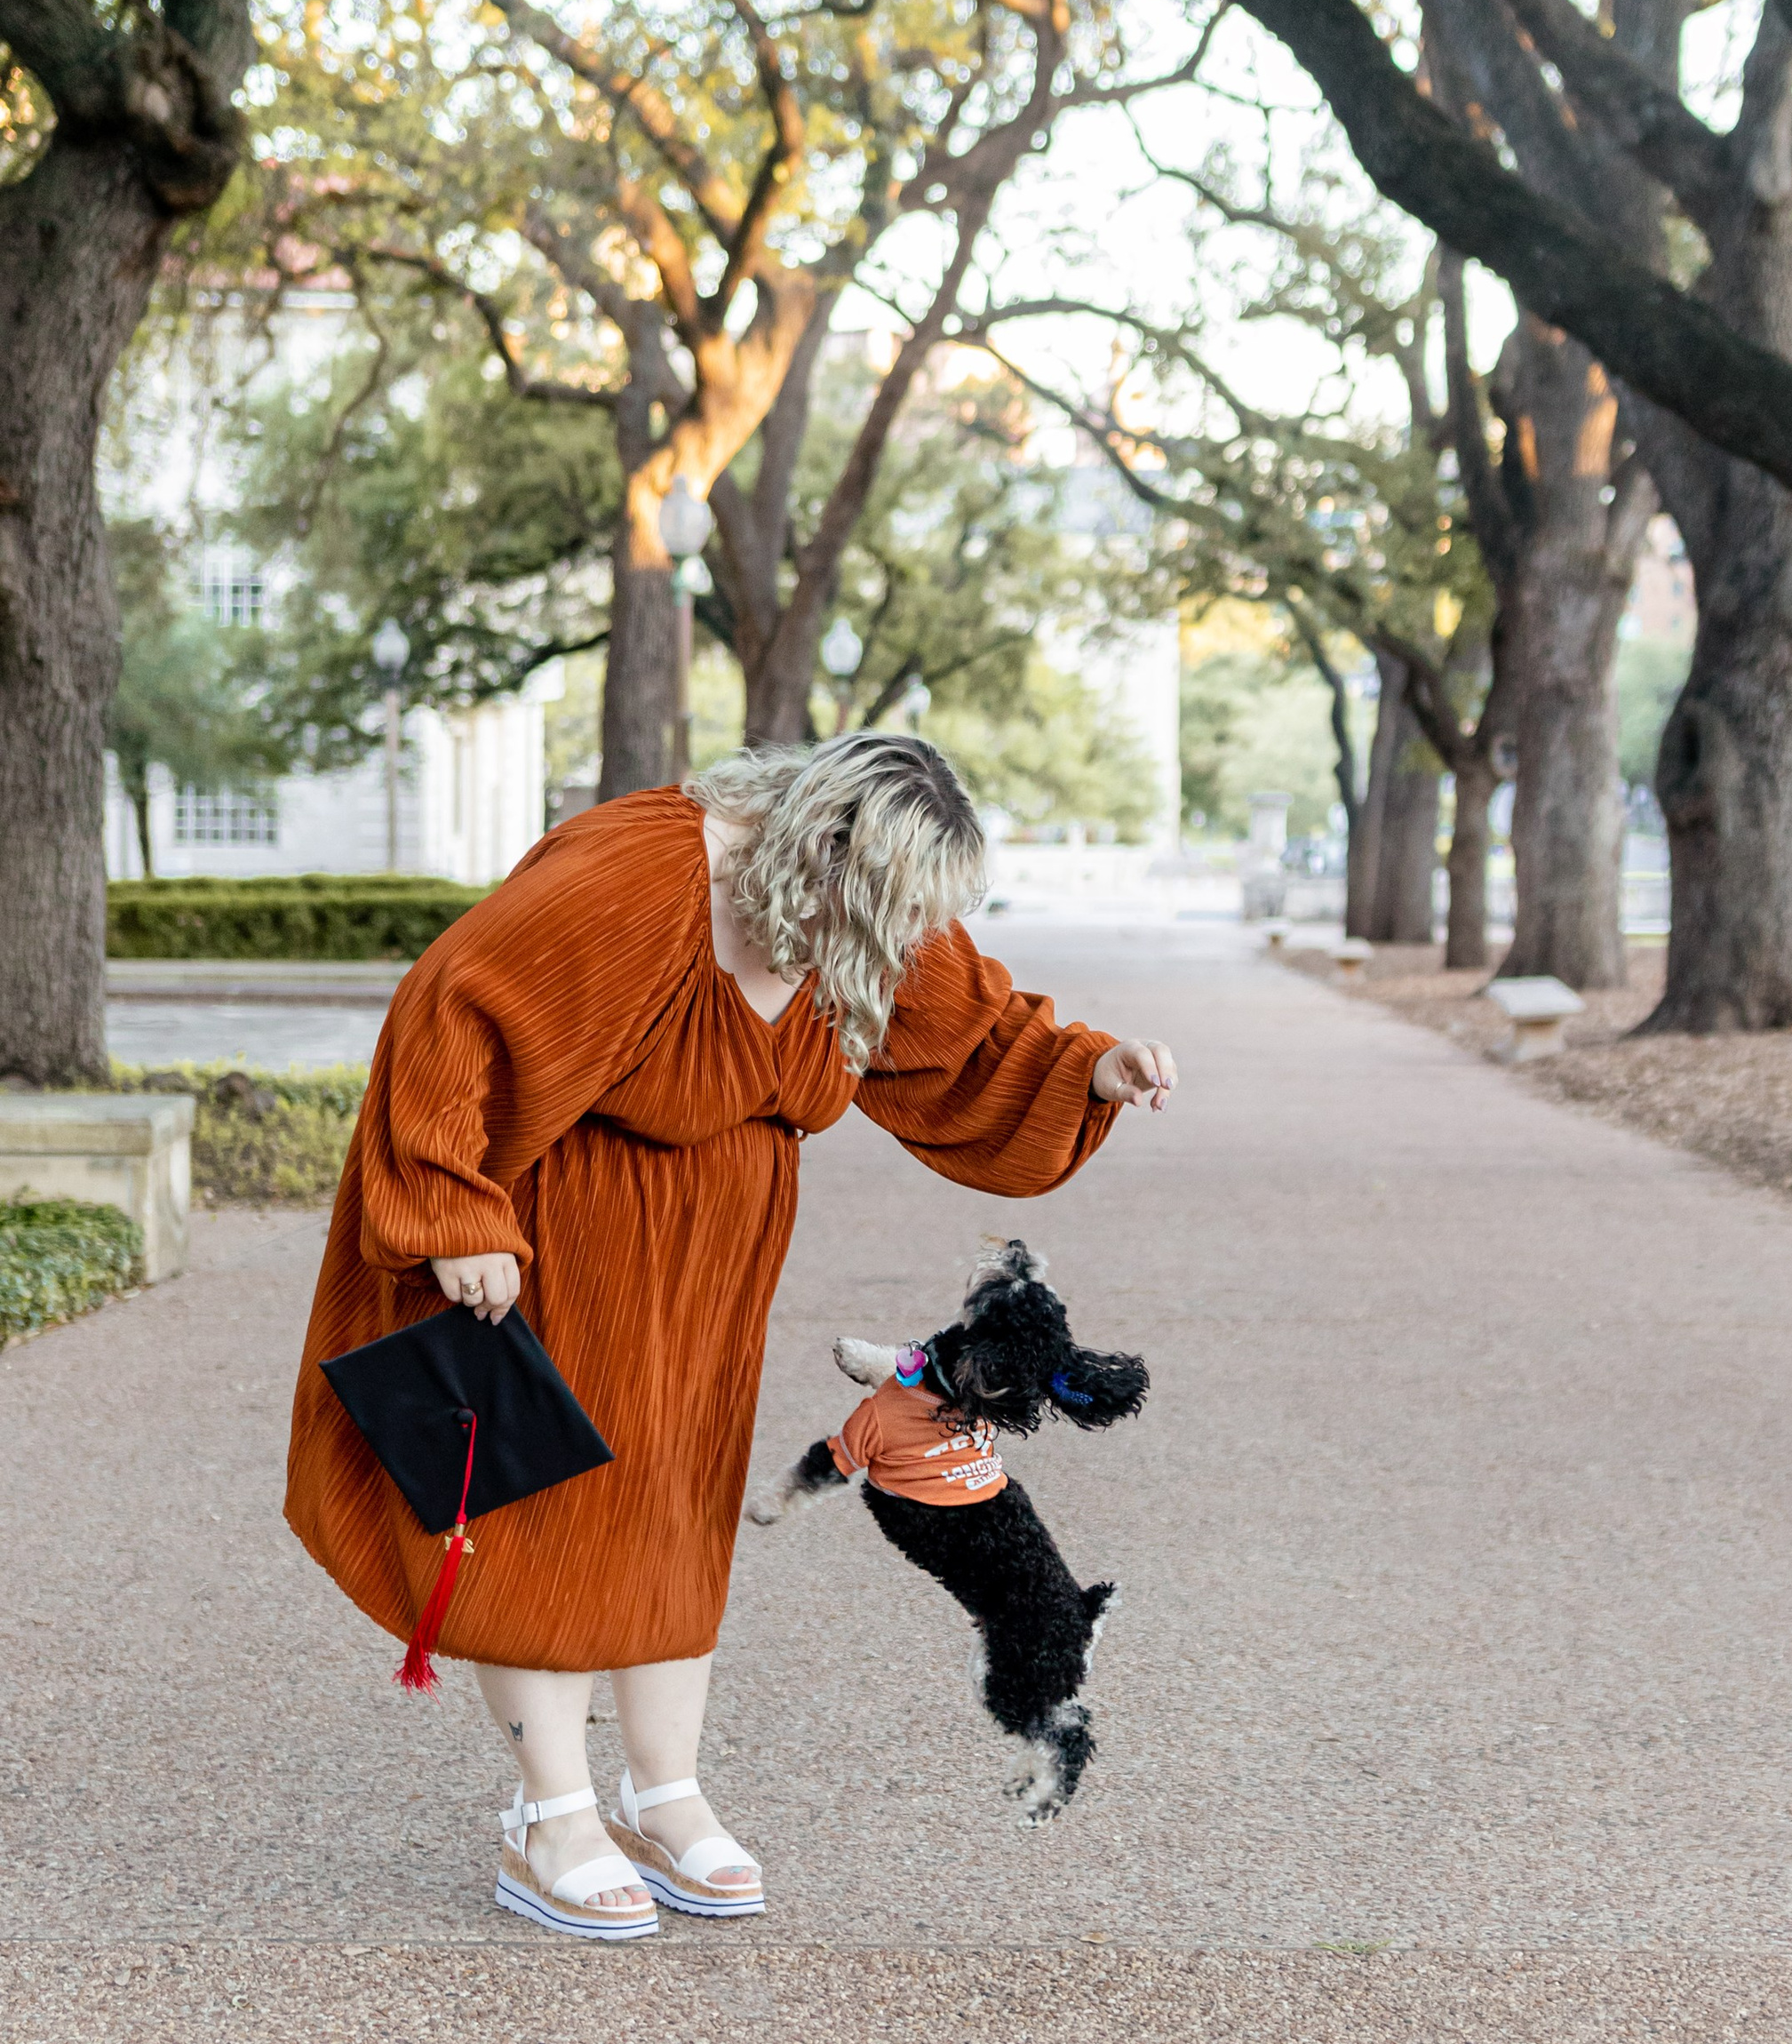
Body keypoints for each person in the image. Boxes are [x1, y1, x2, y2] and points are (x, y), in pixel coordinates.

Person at [285, 736, 1176, 1939]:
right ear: (827, 851)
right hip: (562, 1232)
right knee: (545, 1513)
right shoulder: (642, 876)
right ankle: (550, 1814)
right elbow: (455, 1013)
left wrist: (1090, 1072)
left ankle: (665, 1796)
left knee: (675, 1511)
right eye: (900, 907)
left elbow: (971, 1039)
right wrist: (454, 1210)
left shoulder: (872, 915)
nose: (913, 937)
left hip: (715, 1259)